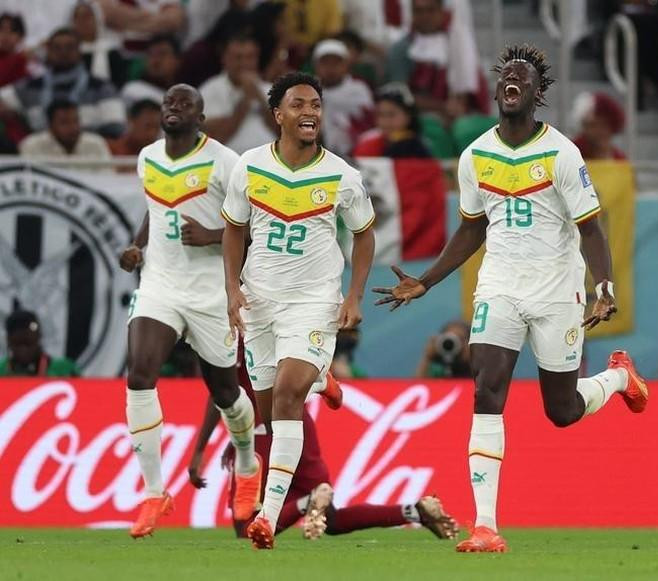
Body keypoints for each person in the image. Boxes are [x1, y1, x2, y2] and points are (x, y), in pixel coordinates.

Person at [373, 44, 649, 553]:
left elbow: (590, 229)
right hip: (499, 285)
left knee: (561, 411)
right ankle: (485, 525)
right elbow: (470, 230)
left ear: (538, 94)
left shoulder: (562, 152)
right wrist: (425, 281)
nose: (510, 83)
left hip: (555, 289)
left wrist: (603, 289)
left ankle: (617, 376)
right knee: (486, 388)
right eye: (504, 77)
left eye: (522, 78)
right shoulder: (475, 155)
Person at [222, 71, 376, 550]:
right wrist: (231, 288)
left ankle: (266, 517)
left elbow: (365, 233)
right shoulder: (248, 167)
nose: (309, 112)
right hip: (261, 302)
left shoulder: (342, 176)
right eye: (298, 104)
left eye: (316, 104)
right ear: (278, 115)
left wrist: (353, 296)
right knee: (269, 412)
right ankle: (320, 378)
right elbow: (232, 230)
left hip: (313, 301)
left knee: (287, 396)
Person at [117, 83, 261, 539]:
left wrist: (214, 235)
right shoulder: (148, 157)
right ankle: (155, 492)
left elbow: (256, 226)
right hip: (160, 285)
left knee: (225, 393)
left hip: (212, 294)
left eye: (185, 104)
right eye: (168, 102)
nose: (173, 108)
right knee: (139, 374)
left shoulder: (226, 162)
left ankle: (246, 461)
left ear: (201, 117)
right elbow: (155, 210)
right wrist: (137, 247)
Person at [188, 366, 458, 541]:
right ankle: (416, 511)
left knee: (246, 528)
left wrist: (202, 449)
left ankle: (308, 502)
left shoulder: (237, 322)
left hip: (260, 430)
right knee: (333, 519)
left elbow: (222, 393)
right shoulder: (283, 309)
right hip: (297, 423)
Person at [0, 27, 125, 138]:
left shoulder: (101, 88)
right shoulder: (29, 87)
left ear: (79, 51)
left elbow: (115, 129)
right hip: (39, 155)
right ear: (48, 51)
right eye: (57, 48)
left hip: (87, 155)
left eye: (69, 47)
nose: (63, 52)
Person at [386, 0, 488, 122]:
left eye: (431, 10)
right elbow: (400, 95)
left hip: (459, 115)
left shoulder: (457, 43)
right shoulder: (402, 48)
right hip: (418, 118)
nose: (425, 16)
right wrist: (443, 107)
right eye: (419, 11)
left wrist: (457, 106)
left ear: (441, 12)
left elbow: (467, 83)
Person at [200, 34, 277, 154]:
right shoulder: (210, 90)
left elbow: (283, 133)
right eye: (238, 57)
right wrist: (245, 101)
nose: (244, 63)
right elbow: (214, 138)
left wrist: (260, 99)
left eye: (250, 57)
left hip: (268, 163)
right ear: (224, 58)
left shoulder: (271, 89)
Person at [312, 38, 373, 158]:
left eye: (336, 63)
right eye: (325, 63)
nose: (330, 68)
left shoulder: (359, 89)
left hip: (356, 153)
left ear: (346, 65)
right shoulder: (307, 90)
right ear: (316, 65)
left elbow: (368, 123)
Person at [19, 99, 112, 165]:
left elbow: (108, 181)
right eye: (65, 123)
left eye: (76, 121)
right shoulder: (31, 146)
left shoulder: (96, 144)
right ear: (50, 126)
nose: (73, 128)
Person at [353, 82, 432, 158]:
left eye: (391, 114)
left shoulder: (421, 146)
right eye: (380, 114)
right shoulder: (367, 143)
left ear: (409, 115)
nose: (385, 121)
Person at [0, 310, 80, 377]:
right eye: (18, 344)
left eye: (29, 343)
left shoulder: (64, 370)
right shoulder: (2, 371)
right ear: (8, 340)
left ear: (39, 335)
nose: (23, 335)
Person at [72, 0, 127, 89]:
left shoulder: (111, 51)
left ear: (97, 19)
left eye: (87, 16)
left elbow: (120, 83)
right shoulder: (67, 52)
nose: (82, 22)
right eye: (77, 17)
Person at [121, 35, 181, 106]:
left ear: (177, 61)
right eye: (151, 55)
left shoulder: (188, 94)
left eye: (162, 54)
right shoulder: (133, 90)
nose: (156, 60)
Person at [571, 91, 627, 160]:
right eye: (593, 125)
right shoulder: (573, 153)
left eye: (604, 125)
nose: (600, 131)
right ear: (584, 127)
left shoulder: (619, 158)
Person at [0, 13, 27, 88]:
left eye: (12, 30)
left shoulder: (26, 62)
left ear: (21, 36)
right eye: (2, 29)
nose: (6, 34)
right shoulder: (22, 58)